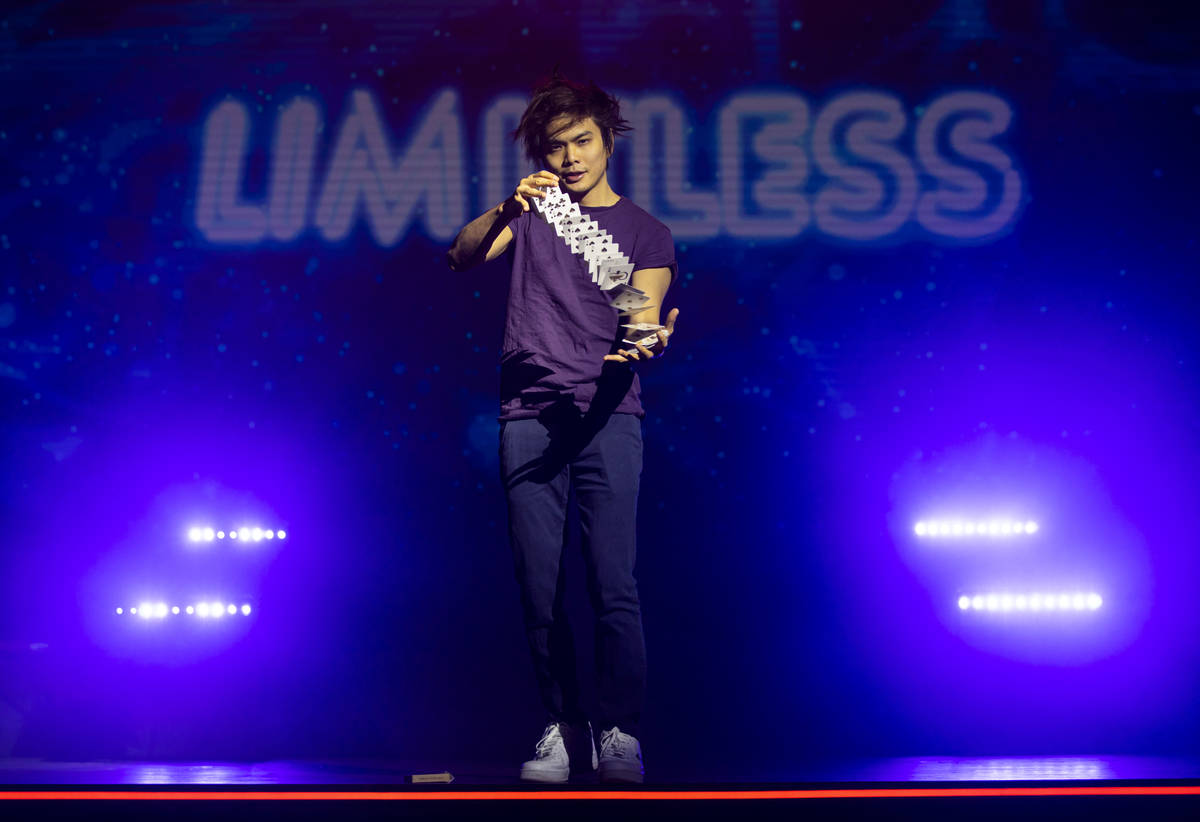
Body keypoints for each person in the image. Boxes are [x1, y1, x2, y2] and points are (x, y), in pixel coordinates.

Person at [447, 71, 679, 784]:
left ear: (609, 139)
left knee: (613, 582)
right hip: (528, 414)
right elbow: (461, 257)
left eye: (582, 141)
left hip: (607, 415)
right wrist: (503, 208)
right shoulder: (532, 212)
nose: (571, 157)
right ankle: (561, 723)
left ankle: (619, 731)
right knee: (538, 583)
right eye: (556, 148)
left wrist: (644, 343)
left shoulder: (644, 230)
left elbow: (641, 317)